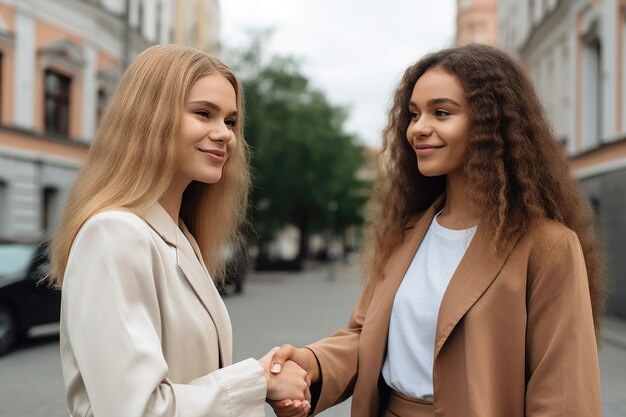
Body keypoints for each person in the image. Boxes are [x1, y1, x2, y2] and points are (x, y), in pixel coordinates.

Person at [269, 44, 604, 417]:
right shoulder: (407, 231)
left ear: (491, 124)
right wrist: (312, 363)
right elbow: (368, 337)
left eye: (441, 112)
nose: (419, 129)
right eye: (414, 114)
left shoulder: (546, 246)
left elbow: (562, 394)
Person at [48, 44, 311, 417]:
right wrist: (259, 381)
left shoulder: (179, 235)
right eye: (204, 114)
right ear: (150, 117)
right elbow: (136, 410)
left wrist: (264, 385)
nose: (224, 135)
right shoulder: (113, 234)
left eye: (231, 121)